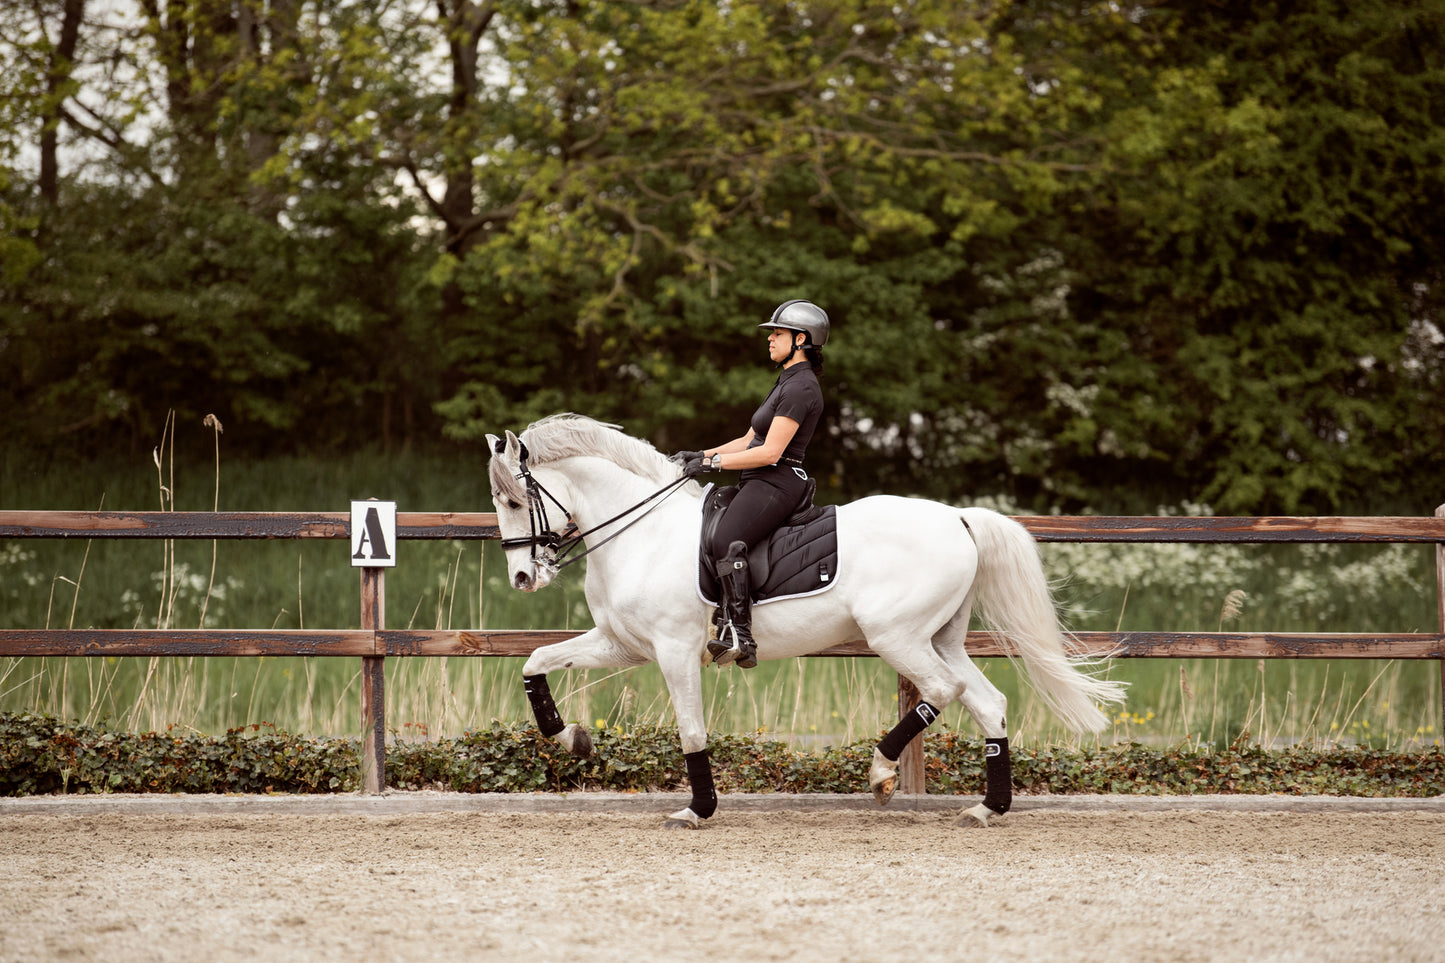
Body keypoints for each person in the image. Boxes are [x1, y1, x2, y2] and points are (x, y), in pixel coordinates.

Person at [673, 299, 828, 668]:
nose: (770, 340)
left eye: (777, 333)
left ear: (801, 339)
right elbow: (748, 441)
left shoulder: (802, 388)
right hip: (759, 477)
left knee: (726, 539)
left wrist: (711, 463)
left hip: (778, 480)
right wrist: (696, 454)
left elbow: (770, 452)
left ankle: (740, 634)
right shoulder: (785, 382)